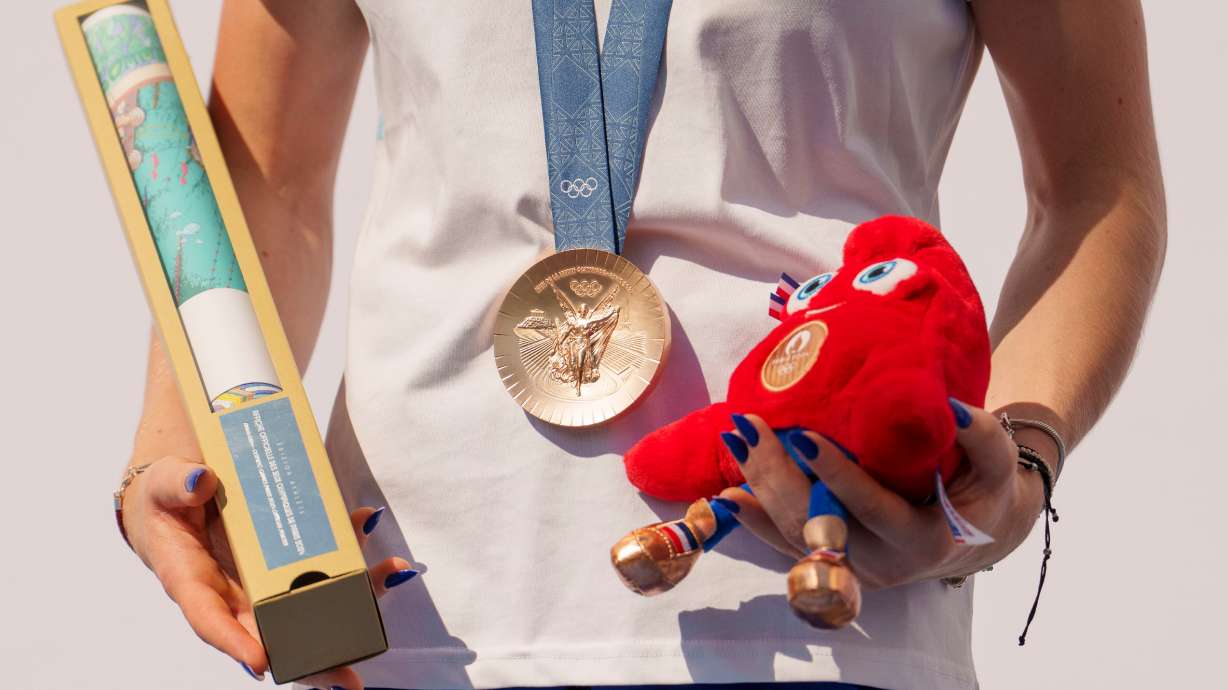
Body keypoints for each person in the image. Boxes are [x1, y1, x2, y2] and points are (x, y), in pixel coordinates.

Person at [114, 1, 1166, 689]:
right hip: (405, 619)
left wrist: (1018, 464)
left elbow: (1094, 188)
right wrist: (177, 444)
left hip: (820, 601)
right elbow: (268, 184)